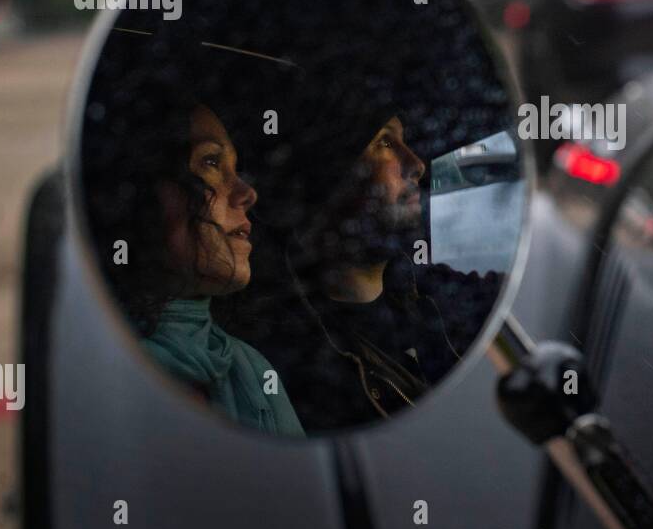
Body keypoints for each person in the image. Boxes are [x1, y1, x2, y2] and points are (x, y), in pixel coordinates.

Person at [236, 68, 501, 431]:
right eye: (384, 143)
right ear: (329, 177)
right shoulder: (296, 366)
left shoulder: (436, 296)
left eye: (403, 141)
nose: (417, 164)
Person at [86, 76, 306, 437]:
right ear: (140, 194)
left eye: (235, 169)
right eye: (210, 163)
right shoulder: (101, 373)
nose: (247, 193)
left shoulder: (249, 369)